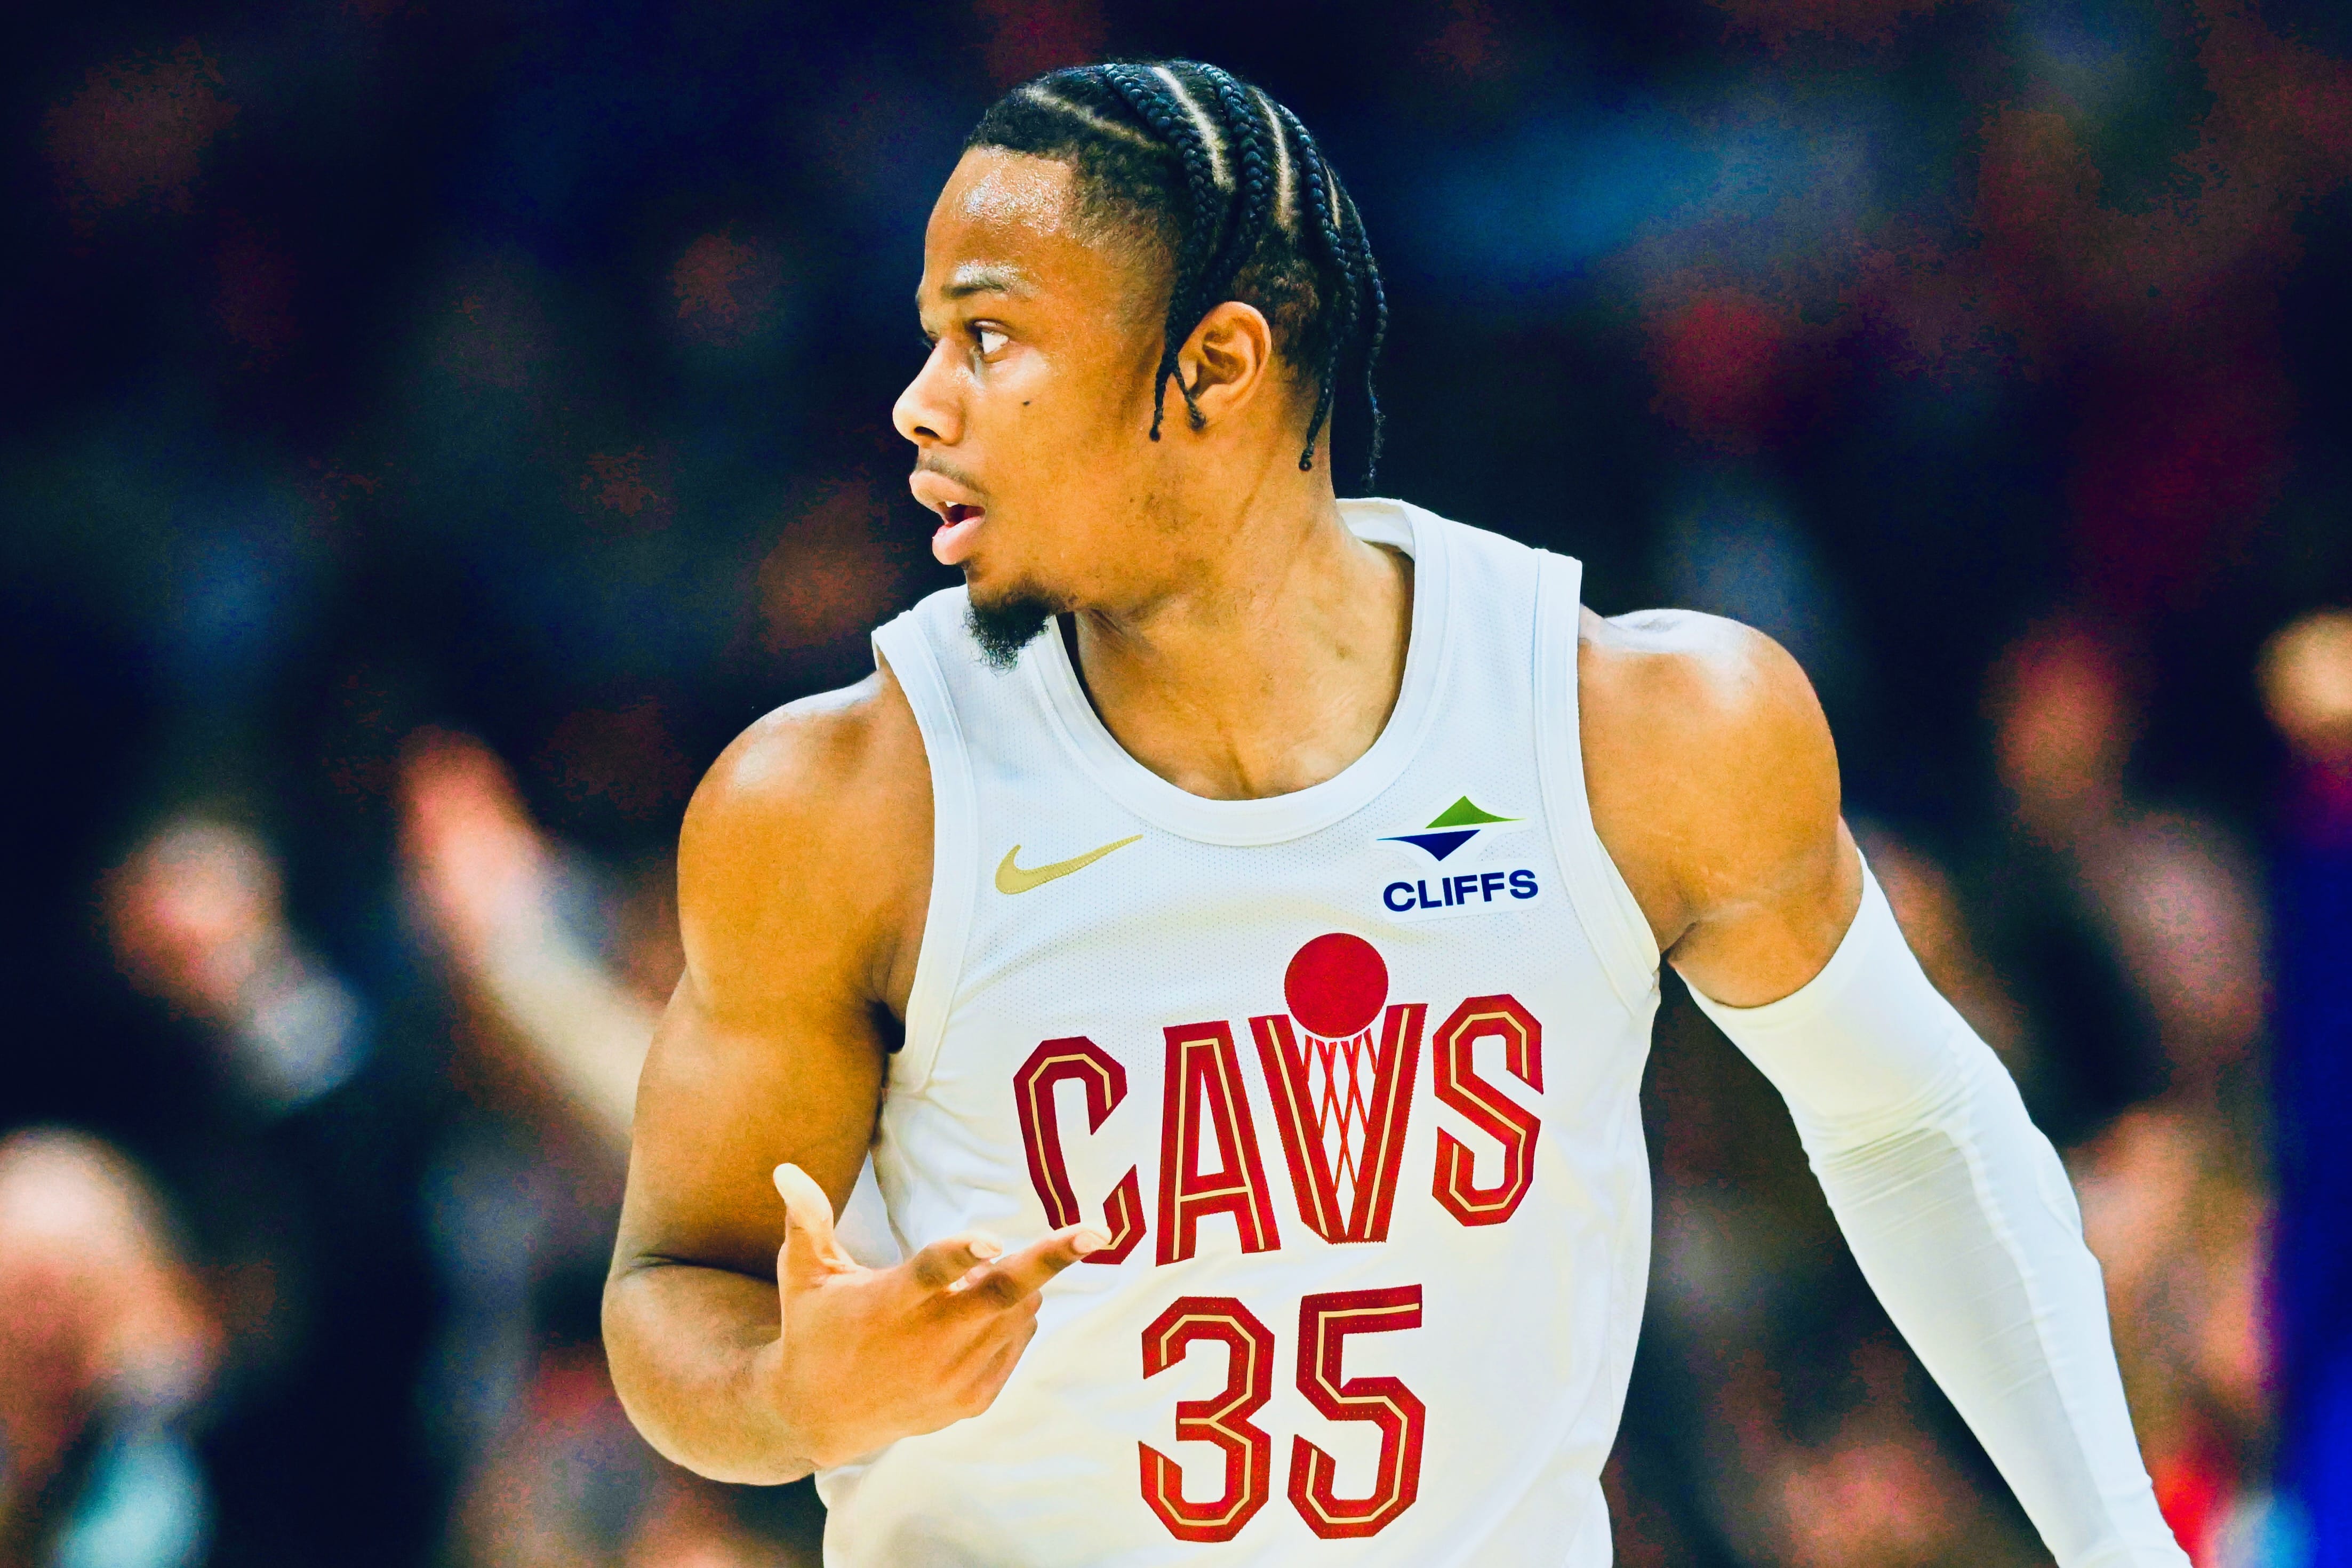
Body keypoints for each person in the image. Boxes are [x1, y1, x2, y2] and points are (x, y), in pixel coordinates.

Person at [602, 59, 2189, 1564]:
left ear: (1215, 367)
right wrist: (793, 1394)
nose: (918, 405)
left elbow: (1908, 1119)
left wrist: (2116, 1543)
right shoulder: (840, 797)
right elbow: (676, 1282)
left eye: (988, 338)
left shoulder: (1633, 727)